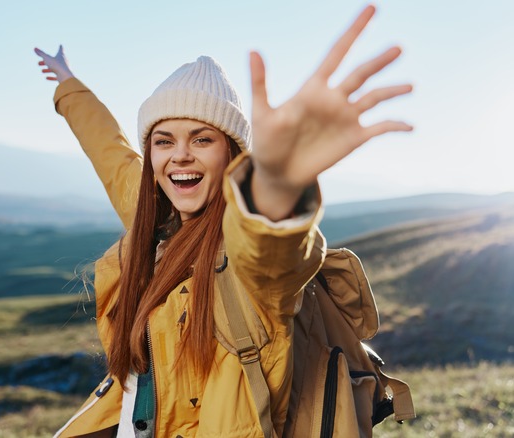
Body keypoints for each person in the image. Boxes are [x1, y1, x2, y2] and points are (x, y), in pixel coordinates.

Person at [35, 5, 411, 437]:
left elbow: (271, 249)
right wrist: (68, 85)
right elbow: (110, 152)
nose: (179, 155)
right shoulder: (156, 215)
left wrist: (276, 184)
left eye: (202, 139)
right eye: (164, 140)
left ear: (232, 153)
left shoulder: (247, 266)